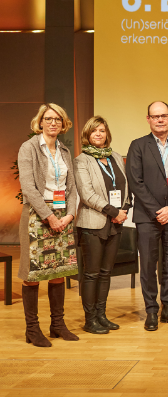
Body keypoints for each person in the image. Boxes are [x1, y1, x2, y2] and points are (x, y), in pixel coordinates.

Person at [126, 101, 168, 331]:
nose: (160, 120)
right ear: (148, 119)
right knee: (147, 264)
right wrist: (158, 210)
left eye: (164, 115)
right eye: (155, 116)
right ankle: (151, 310)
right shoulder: (138, 146)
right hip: (147, 217)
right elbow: (136, 182)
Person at [18, 103, 79, 347]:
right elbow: (28, 187)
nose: (53, 123)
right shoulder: (29, 148)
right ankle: (32, 329)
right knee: (33, 275)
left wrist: (69, 215)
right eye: (49, 119)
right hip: (36, 215)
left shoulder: (64, 150)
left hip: (62, 215)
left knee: (58, 272)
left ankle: (58, 325)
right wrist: (49, 216)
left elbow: (73, 189)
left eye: (58, 119)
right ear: (40, 122)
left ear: (63, 124)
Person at [74, 116, 132, 334]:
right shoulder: (82, 161)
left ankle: (101, 315)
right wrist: (113, 212)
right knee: (92, 273)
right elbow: (87, 194)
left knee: (106, 272)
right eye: (93, 131)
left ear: (107, 134)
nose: (98, 134)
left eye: (102, 130)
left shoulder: (116, 157)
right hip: (93, 223)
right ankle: (90, 320)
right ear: (87, 136)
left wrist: (124, 209)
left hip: (115, 223)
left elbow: (126, 186)